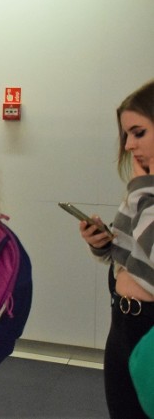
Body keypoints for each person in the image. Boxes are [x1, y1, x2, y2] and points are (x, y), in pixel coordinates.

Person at [78, 80, 154, 419]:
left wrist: (141, 190)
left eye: (138, 133)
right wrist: (103, 246)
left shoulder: (143, 191)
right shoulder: (142, 189)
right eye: (125, 135)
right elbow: (131, 254)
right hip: (122, 321)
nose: (128, 145)